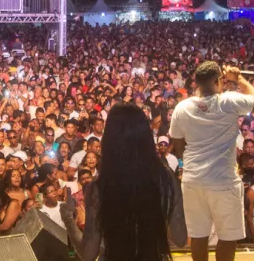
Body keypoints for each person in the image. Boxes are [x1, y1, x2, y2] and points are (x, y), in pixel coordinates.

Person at [62, 103, 187, 261]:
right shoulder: (166, 179)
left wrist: (68, 220)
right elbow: (180, 239)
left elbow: (88, 254)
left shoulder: (99, 186)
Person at [169, 63, 254, 261]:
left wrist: (191, 164)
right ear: (216, 80)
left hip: (193, 180)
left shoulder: (182, 107)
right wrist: (238, 78)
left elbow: (178, 145)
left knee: (198, 236)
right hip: (223, 180)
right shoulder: (228, 101)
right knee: (228, 237)